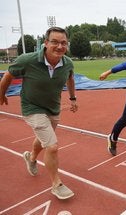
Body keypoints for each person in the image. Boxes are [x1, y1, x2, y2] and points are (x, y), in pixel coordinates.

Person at [0, 27, 78, 199]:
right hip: (32, 107)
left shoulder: (67, 63)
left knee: (43, 138)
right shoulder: (27, 60)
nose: (59, 46)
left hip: (53, 107)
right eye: (55, 42)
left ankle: (31, 158)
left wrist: (72, 98)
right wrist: (2, 93)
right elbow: (8, 75)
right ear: (46, 43)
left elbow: (70, 78)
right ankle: (56, 184)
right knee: (52, 146)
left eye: (63, 43)